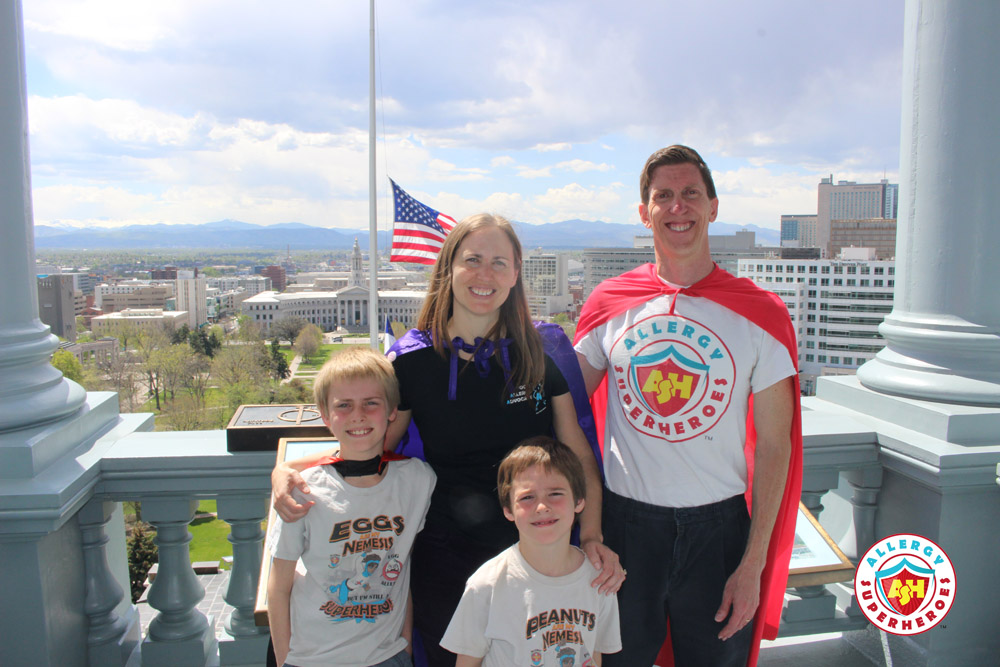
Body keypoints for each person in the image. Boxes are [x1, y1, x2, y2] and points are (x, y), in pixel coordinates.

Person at [271, 214, 624, 666]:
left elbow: (579, 455)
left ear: (516, 273)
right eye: (472, 259)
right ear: (448, 269)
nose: (485, 274)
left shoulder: (542, 351)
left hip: (536, 548)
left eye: (500, 262)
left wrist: (591, 534)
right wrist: (290, 469)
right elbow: (368, 447)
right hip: (445, 553)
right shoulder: (413, 362)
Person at [573, 145, 803, 667]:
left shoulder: (759, 314)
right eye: (664, 196)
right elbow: (561, 409)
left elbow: (774, 447)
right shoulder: (611, 302)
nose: (678, 207)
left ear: (713, 207)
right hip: (624, 530)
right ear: (644, 212)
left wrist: (752, 566)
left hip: (718, 535)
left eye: (691, 194)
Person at [267, 347, 436, 667]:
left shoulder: (417, 480)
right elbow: (278, 588)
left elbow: (402, 570)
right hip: (314, 658)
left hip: (388, 655)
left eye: (371, 403)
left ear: (391, 410)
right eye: (344, 405)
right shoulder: (303, 490)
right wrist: (285, 659)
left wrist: (404, 649)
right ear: (325, 414)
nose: (358, 415)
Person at [441, 436, 621, 666]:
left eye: (555, 493)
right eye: (527, 497)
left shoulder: (601, 579)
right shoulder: (487, 584)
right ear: (508, 510)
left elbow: (594, 655)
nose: (542, 506)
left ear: (579, 501)